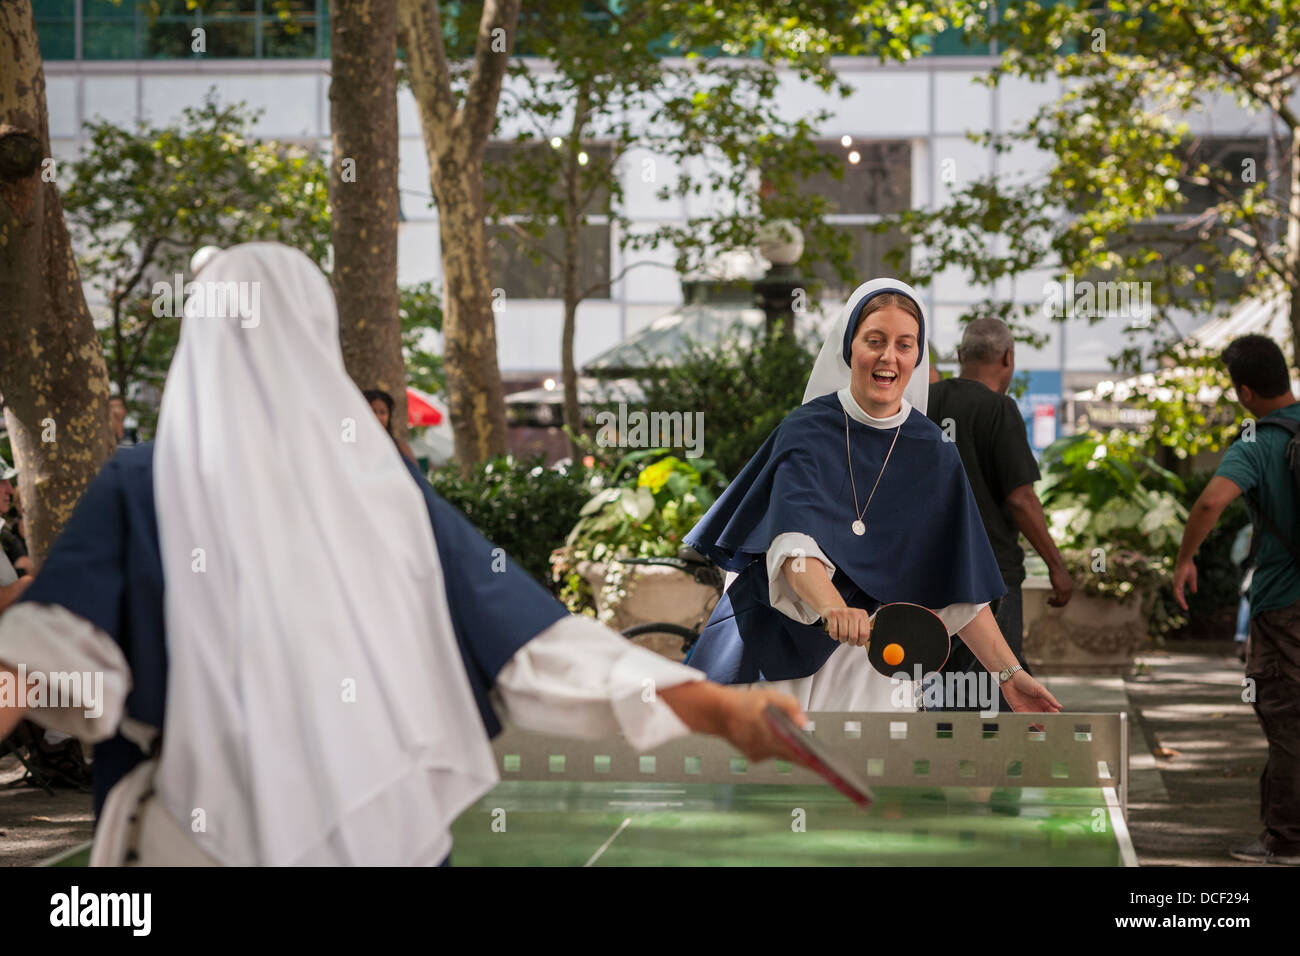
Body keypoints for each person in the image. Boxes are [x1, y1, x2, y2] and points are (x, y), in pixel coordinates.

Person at [0, 242, 804, 866]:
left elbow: (42, 657)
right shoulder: (382, 486)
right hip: (384, 834)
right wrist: (718, 708)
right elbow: (539, 652)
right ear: (321, 338)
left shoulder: (144, 481)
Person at [683, 277, 1062, 715]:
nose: (889, 357)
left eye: (905, 344)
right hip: (785, 658)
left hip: (876, 671)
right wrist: (833, 608)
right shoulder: (806, 432)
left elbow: (960, 584)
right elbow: (792, 547)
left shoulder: (934, 450)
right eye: (875, 340)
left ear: (917, 355)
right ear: (850, 348)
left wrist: (1010, 677)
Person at [1173, 333, 1300, 866]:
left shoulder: (1256, 442)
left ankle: (1286, 839)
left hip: (1283, 607)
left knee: (1286, 717)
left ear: (1246, 392)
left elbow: (1209, 504)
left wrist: (1184, 560)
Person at [926, 318, 1072, 710]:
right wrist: (1057, 566)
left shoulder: (925, 402)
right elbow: (1021, 499)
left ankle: (944, 764)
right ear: (1007, 358)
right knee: (997, 689)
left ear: (960, 356)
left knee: (943, 692)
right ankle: (993, 768)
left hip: (930, 575)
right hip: (992, 578)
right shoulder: (999, 410)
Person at [364, 387, 418, 463]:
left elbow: (414, 474)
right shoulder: (353, 446)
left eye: (382, 412)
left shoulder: (400, 448)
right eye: (373, 411)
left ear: (389, 417)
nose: (377, 417)